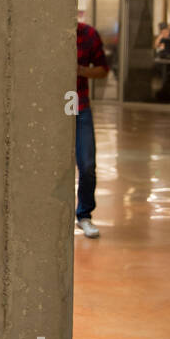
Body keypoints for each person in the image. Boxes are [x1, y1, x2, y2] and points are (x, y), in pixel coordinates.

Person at [75, 20, 109, 239]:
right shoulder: (42, 30)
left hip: (80, 107)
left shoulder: (88, 34)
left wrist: (81, 70)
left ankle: (84, 215)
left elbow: (103, 70)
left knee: (87, 165)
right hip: (47, 109)